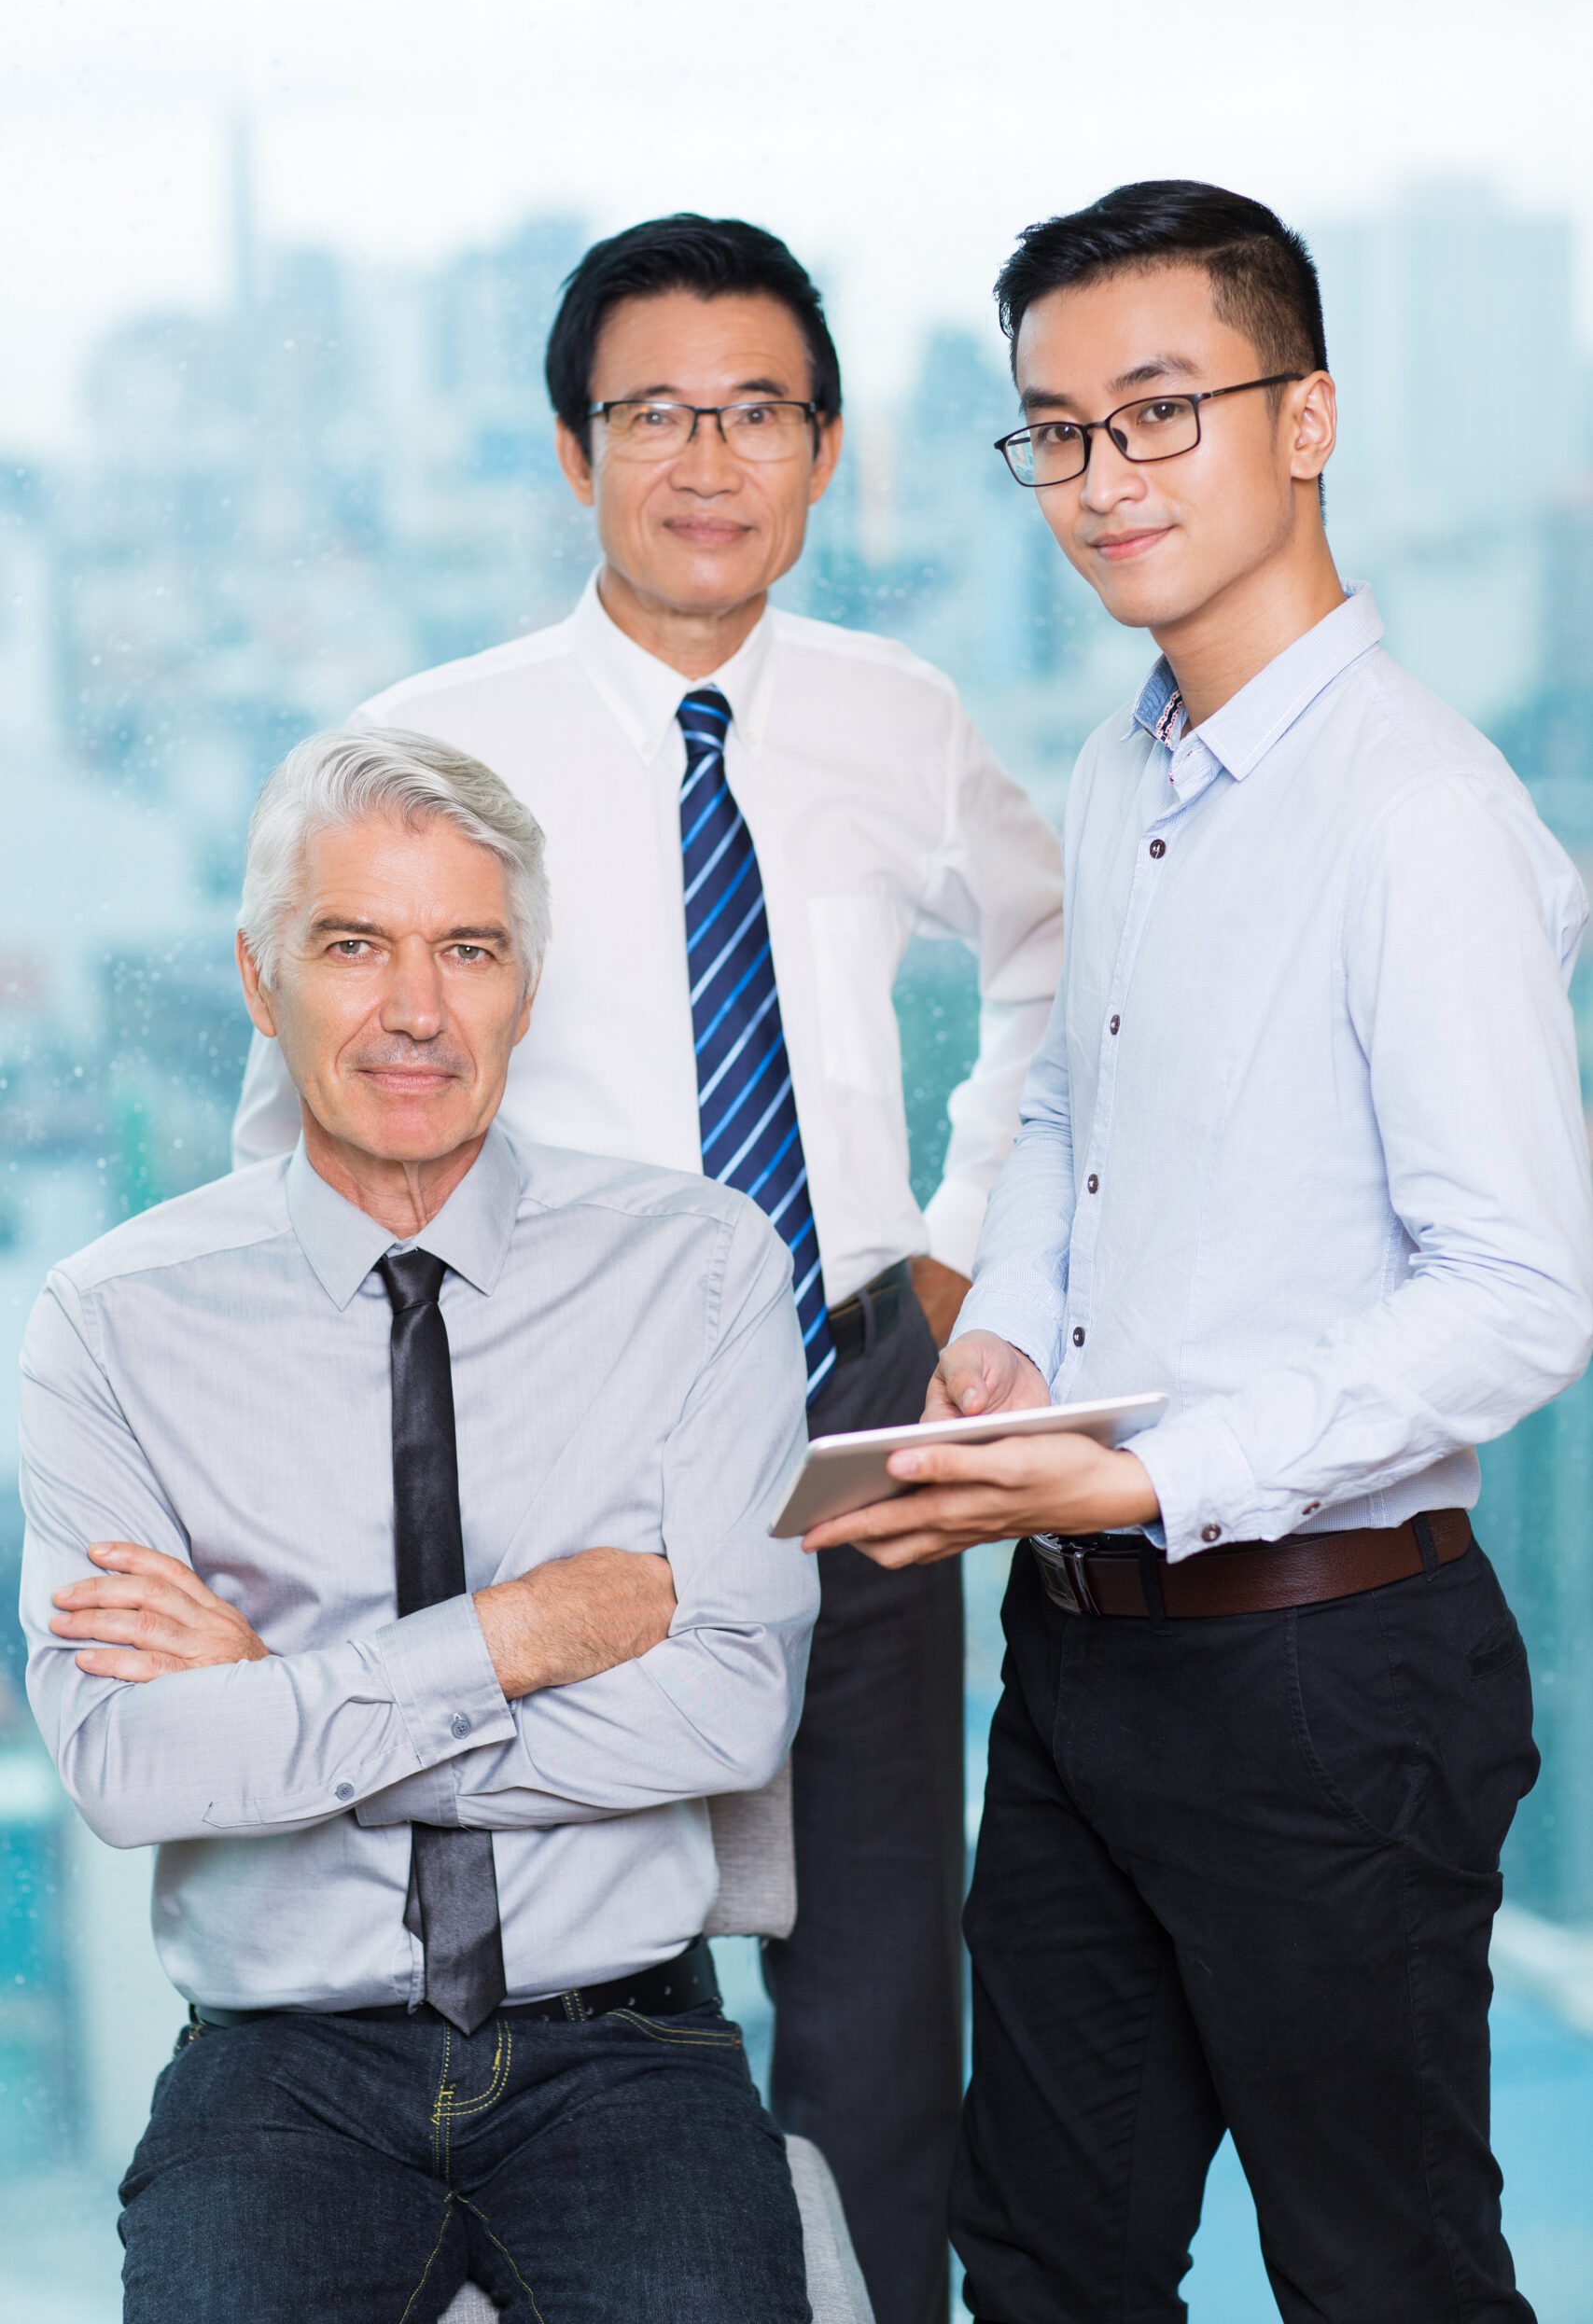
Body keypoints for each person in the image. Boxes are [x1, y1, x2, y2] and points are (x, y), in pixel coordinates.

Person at [230, 212, 1065, 2324]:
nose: (706, 457)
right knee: (567, 1959)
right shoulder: (432, 738)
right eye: (652, 413)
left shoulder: (893, 713)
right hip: (555, 1431)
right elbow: (301, 1111)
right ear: (569, 449)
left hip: (850, 1401)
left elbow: (1066, 950)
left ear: (827, 447)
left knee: (877, 1973)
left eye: (754, 411)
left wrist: (967, 1244)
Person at [805, 181, 1593, 2324]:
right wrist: (1013, 1363)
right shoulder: (1123, 759)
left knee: (1380, 2274)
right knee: (1043, 2260)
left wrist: (1150, 1468)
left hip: (1324, 1669)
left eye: (1157, 413)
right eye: (1054, 432)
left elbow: (1523, 1283)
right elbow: (1076, 1110)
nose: (1100, 479)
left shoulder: (1410, 812)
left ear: (1307, 413)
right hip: (1086, 1659)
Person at [21, 729, 820, 2324]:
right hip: (280, 2067)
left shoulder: (704, 1272)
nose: (413, 1010)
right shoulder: (111, 1321)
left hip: (630, 2049)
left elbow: (731, 1715)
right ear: (263, 983)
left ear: (526, 983)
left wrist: (286, 1695)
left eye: (466, 949)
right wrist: (515, 1639)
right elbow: (129, 1767)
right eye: (352, 946)